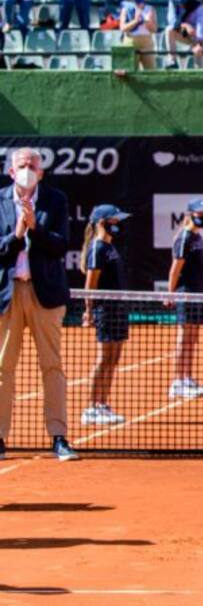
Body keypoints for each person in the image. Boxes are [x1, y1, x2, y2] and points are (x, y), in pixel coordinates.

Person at [0, 148, 76, 462]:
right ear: (10, 171)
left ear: (41, 173)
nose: (27, 169)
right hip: (7, 296)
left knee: (52, 366)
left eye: (33, 165)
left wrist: (36, 228)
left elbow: (61, 246)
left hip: (45, 294)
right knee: (2, 369)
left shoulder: (55, 200)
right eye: (22, 165)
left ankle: (58, 437)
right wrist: (18, 233)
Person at [79, 204, 131, 427]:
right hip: (105, 310)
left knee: (114, 359)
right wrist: (89, 311)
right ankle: (92, 407)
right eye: (114, 220)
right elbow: (90, 283)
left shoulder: (109, 246)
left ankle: (102, 404)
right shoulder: (97, 248)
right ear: (102, 222)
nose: (118, 224)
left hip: (119, 309)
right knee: (104, 359)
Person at [166, 198, 203, 399]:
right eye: (200, 214)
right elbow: (176, 267)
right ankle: (178, 382)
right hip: (186, 294)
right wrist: (170, 293)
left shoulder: (197, 237)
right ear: (189, 215)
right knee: (184, 338)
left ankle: (187, 378)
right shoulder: (185, 237)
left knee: (192, 338)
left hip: (198, 295)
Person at [118, 0, 157, 70]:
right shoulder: (126, 9)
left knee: (150, 72)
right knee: (130, 71)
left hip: (147, 43)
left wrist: (146, 21)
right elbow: (123, 28)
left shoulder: (150, 9)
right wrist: (135, 21)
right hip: (130, 42)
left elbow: (154, 29)